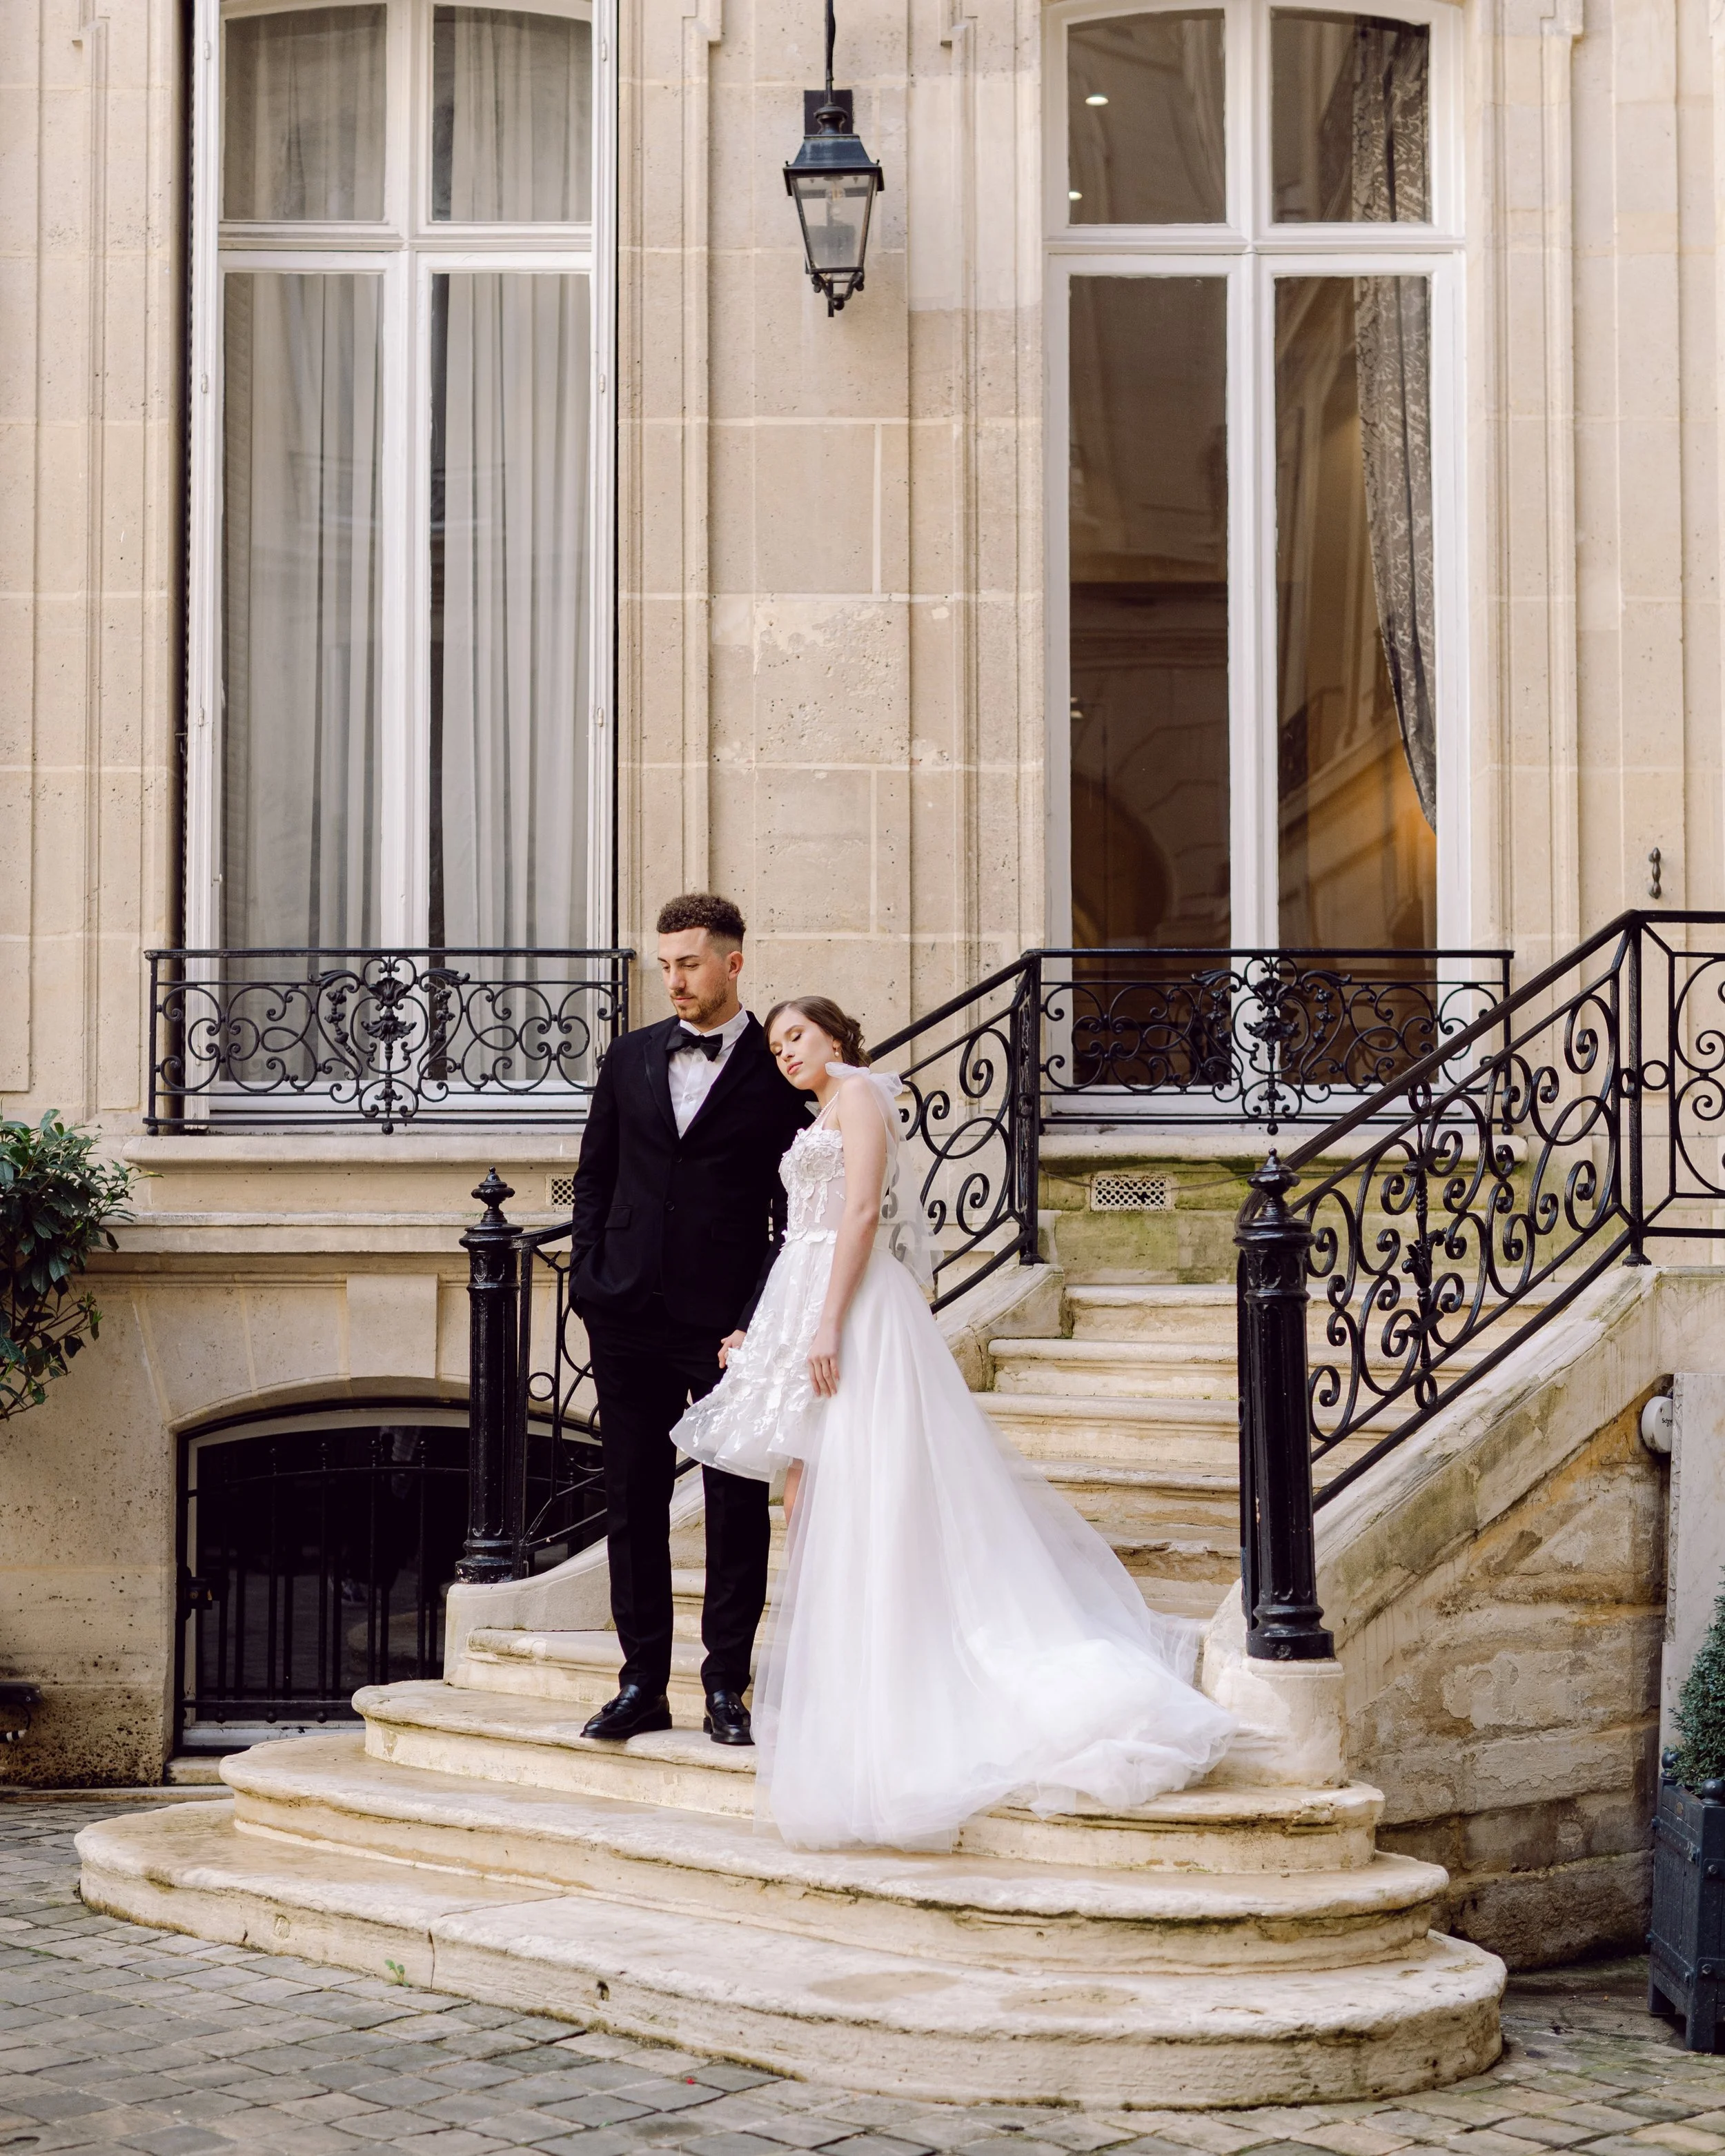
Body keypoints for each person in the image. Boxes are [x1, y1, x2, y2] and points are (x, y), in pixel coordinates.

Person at [673, 996, 1238, 1852]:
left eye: (799, 1035)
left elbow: (859, 1218)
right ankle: (869, 1692)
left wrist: (824, 1327)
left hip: (859, 1318)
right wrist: (767, 1329)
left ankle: (910, 1688)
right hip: (811, 1303)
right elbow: (804, 1237)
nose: (786, 1050)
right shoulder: (817, 1109)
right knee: (813, 1500)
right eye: (779, 1040)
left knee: (863, 1496)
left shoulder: (859, 1095)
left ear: (838, 1035)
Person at [570, 896, 809, 1746]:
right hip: (625, 1307)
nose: (674, 979)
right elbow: (594, 1172)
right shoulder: (629, 1057)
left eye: (690, 963)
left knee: (733, 1502)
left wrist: (757, 1321)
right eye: (665, 963)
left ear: (733, 962)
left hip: (725, 1327)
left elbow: (794, 1211)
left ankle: (725, 1686)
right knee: (630, 1501)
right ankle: (641, 1682)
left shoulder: (778, 1069)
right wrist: (591, 1279)